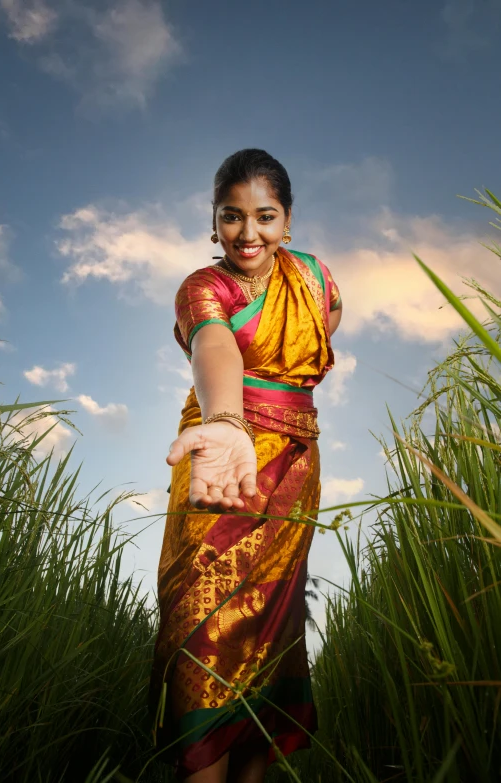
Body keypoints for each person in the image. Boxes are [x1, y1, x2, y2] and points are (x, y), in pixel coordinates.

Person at [149, 149, 343, 783]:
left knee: (270, 631)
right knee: (204, 629)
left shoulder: (314, 279)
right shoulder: (204, 287)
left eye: (265, 216)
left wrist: (285, 400)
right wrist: (230, 419)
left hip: (292, 467)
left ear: (287, 221)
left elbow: (324, 330)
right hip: (219, 458)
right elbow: (214, 343)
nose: (248, 233)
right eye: (232, 217)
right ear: (214, 222)